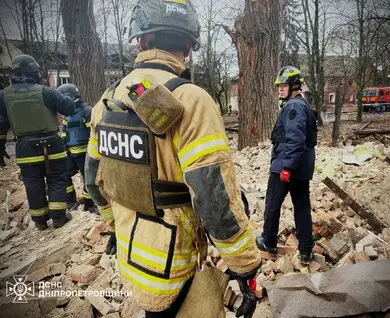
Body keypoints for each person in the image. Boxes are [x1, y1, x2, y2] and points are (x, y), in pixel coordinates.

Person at [85, 1, 261, 316]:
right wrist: (245, 266)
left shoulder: (106, 101)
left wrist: (113, 227)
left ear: (140, 40)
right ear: (189, 46)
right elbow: (213, 199)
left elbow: (93, 180)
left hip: (132, 257)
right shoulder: (192, 100)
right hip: (175, 268)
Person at [0, 54, 75, 230]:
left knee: (33, 182)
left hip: (25, 147)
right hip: (52, 143)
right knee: (57, 178)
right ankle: (59, 217)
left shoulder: (4, 95)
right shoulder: (45, 91)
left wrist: (1, 146)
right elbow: (69, 108)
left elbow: (2, 123)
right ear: (34, 71)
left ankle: (40, 221)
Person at [255, 65, 317, 265]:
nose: (280, 89)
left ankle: (269, 241)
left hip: (286, 167)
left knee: (272, 204)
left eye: (284, 85)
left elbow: (295, 139)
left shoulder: (293, 107)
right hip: (301, 169)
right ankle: (306, 251)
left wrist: (286, 168)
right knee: (302, 208)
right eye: (279, 86)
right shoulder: (302, 104)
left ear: (295, 85)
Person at [57, 84, 96, 213]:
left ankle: (90, 205)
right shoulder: (67, 114)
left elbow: (94, 133)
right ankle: (71, 201)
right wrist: (64, 148)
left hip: (86, 154)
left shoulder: (87, 111)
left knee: (88, 180)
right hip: (71, 154)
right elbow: (64, 133)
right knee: (63, 175)